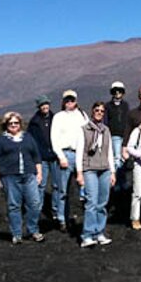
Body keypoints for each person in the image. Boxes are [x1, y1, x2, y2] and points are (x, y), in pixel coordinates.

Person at [0, 112, 45, 245]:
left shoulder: (28, 137)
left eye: (16, 123)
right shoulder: (0, 140)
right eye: (11, 123)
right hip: (10, 177)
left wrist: (39, 173)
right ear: (6, 125)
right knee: (14, 205)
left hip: (29, 175)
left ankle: (33, 230)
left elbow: (36, 157)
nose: (14, 125)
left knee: (35, 203)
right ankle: (17, 234)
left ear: (20, 124)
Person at [76, 102, 116, 247]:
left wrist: (112, 171)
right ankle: (87, 234)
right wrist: (79, 173)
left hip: (105, 169)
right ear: (92, 112)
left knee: (102, 203)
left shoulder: (106, 130)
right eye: (97, 110)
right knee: (91, 202)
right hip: (89, 169)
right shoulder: (84, 129)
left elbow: (109, 151)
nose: (99, 112)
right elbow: (79, 152)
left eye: (102, 111)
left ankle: (99, 232)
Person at [51, 89, 89, 231]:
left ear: (76, 101)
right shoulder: (58, 117)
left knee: (84, 189)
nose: (69, 102)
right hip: (65, 155)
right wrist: (61, 156)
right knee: (63, 190)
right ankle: (62, 219)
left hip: (80, 154)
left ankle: (85, 219)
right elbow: (54, 138)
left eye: (72, 100)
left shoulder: (82, 116)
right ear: (63, 101)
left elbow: (87, 134)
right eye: (67, 100)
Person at [27, 95, 59, 221]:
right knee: (41, 185)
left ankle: (56, 211)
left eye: (46, 104)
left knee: (57, 185)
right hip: (42, 159)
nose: (45, 107)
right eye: (42, 105)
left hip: (55, 156)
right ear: (39, 107)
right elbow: (30, 140)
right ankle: (37, 211)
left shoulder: (55, 118)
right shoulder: (34, 122)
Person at [105, 81, 129, 192]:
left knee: (123, 159)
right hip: (114, 135)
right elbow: (106, 121)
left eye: (120, 91)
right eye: (115, 91)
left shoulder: (125, 105)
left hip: (124, 135)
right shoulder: (108, 106)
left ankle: (121, 181)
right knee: (117, 159)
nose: (118, 93)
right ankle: (118, 183)